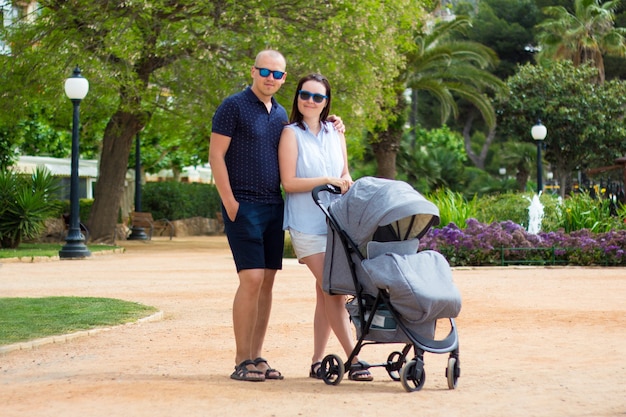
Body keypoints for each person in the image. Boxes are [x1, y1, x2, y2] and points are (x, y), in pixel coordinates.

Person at [209, 51, 344, 382]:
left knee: (267, 283)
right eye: (265, 71)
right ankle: (241, 359)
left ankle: (256, 356)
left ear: (284, 79)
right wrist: (229, 202)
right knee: (251, 278)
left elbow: (308, 134)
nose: (271, 77)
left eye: (278, 74)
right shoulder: (233, 106)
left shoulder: (282, 113)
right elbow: (216, 155)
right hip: (243, 205)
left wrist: (335, 122)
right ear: (253, 70)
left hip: (273, 205)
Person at [278, 73, 373, 382]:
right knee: (334, 292)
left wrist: (349, 184)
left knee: (325, 292)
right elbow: (289, 182)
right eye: (305, 95)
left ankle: (318, 362)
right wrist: (327, 180)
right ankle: (354, 358)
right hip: (307, 227)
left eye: (318, 97)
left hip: (336, 224)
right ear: (298, 97)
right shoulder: (290, 134)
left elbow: (344, 172)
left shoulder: (336, 131)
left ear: (326, 101)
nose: (311, 101)